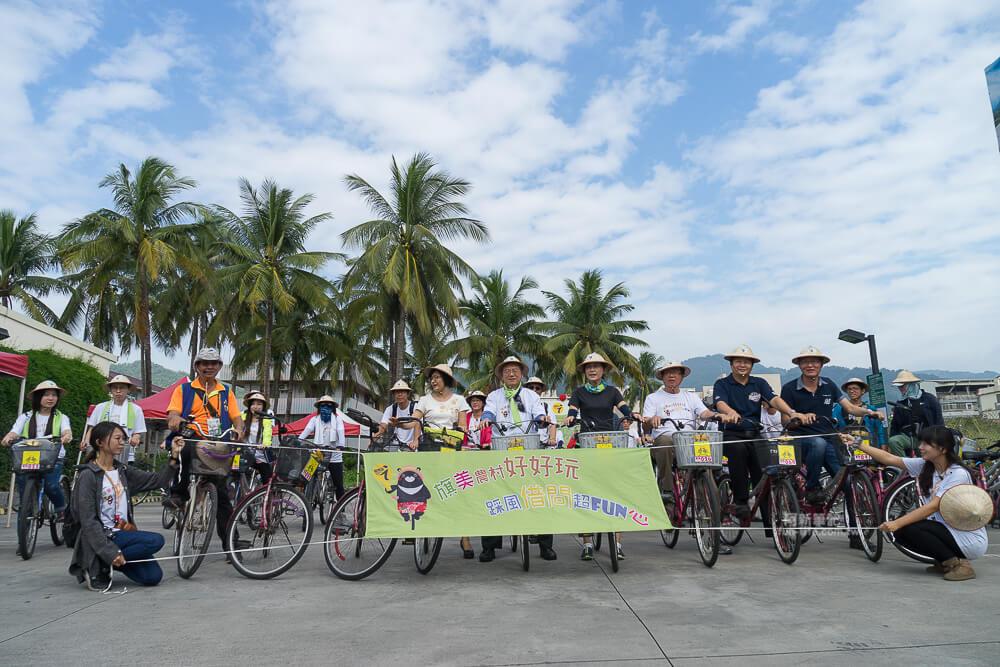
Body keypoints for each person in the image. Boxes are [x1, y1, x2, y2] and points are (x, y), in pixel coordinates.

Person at [854, 425, 986, 580]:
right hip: (945, 530)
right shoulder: (926, 466)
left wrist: (897, 523)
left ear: (942, 449)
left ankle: (959, 565)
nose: (920, 447)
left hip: (967, 538)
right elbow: (890, 459)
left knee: (906, 527)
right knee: (900, 533)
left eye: (926, 444)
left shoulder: (958, 474)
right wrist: (859, 445)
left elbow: (933, 506)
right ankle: (944, 561)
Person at [70, 421, 183, 590]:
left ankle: (108, 563)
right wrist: (109, 551)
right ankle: (100, 561)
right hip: (105, 536)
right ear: (99, 442)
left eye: (123, 438)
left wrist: (174, 456)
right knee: (155, 540)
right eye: (117, 438)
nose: (122, 442)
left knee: (153, 576)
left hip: (124, 533)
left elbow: (158, 480)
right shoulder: (88, 475)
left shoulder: (122, 470)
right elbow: (88, 521)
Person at [780, 347, 882, 512]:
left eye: (814, 362)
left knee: (847, 482)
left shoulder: (829, 385)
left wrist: (870, 412)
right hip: (800, 440)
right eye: (806, 362)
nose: (810, 365)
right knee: (818, 444)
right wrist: (798, 417)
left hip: (828, 438)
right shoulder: (789, 388)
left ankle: (855, 528)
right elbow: (784, 419)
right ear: (799, 365)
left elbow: (849, 407)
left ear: (821, 365)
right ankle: (812, 488)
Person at [163, 348, 243, 554]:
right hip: (193, 437)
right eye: (204, 363)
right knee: (184, 448)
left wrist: (240, 430)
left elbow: (236, 418)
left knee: (223, 497)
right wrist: (175, 421)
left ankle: (230, 546)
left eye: (214, 363)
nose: (209, 367)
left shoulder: (226, 392)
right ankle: (179, 494)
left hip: (217, 444)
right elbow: (172, 414)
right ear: (197, 366)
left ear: (219, 367)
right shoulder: (184, 390)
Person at [712, 345, 800, 527]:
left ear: (752, 365)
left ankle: (772, 524)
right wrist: (731, 413)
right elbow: (720, 403)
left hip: (755, 433)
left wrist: (791, 412)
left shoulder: (759, 383)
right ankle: (740, 501)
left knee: (766, 470)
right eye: (738, 361)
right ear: (731, 364)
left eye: (746, 362)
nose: (742, 365)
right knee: (738, 450)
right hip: (731, 433)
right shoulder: (722, 384)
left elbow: (774, 399)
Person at [480, 356, 556, 562]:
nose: (511, 373)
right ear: (501, 375)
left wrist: (543, 420)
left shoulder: (531, 395)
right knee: (493, 496)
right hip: (502, 450)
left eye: (515, 370)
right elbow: (488, 412)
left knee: (539, 495)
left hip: (529, 450)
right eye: (507, 370)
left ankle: (545, 544)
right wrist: (486, 419)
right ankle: (490, 547)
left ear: (521, 374)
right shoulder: (494, 396)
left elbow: (540, 415)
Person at [564, 352, 634, 561]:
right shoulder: (579, 392)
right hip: (587, 442)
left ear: (604, 370)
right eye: (588, 367)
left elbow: (623, 408)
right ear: (584, 371)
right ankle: (587, 543)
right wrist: (570, 417)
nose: (592, 370)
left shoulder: (613, 391)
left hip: (610, 442)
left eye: (597, 366)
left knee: (616, 492)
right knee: (585, 492)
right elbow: (573, 409)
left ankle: (618, 543)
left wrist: (631, 415)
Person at [641, 361, 731, 497]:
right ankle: (667, 490)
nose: (672, 376)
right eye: (668, 372)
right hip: (666, 439)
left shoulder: (691, 397)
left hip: (689, 439)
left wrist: (717, 415)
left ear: (682, 376)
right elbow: (645, 423)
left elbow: (704, 413)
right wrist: (651, 420)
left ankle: (705, 496)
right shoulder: (653, 398)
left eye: (676, 372)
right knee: (664, 442)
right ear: (663, 376)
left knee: (706, 445)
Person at [2, 380, 72, 518]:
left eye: (54, 395)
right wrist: (8, 437)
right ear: (38, 397)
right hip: (29, 457)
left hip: (53, 457)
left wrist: (66, 437)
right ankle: (26, 520)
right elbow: (14, 432)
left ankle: (61, 507)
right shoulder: (26, 416)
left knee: (51, 486)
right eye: (46, 395)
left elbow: (67, 432)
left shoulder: (61, 417)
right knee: (23, 487)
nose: (51, 398)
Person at [401, 364, 470, 449]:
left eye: (437, 377)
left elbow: (462, 426)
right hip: (429, 445)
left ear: (446, 379)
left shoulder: (460, 400)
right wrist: (399, 424)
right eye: (432, 378)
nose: (433, 381)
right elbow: (413, 422)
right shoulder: (424, 400)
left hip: (451, 445)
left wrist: (463, 429)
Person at [83, 375, 147, 464]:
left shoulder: (136, 409)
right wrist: (86, 442)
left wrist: (135, 438)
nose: (118, 391)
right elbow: (92, 429)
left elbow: (138, 432)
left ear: (128, 390)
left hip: (124, 453)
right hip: (100, 453)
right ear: (110, 390)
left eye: (122, 388)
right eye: (114, 388)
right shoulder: (100, 407)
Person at [301, 395, 346, 503]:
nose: (325, 408)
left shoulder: (337, 419)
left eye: (328, 406)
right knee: (306, 476)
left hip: (334, 453)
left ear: (333, 408)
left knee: (338, 483)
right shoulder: (314, 419)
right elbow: (307, 430)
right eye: (322, 406)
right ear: (319, 408)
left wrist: (340, 446)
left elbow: (340, 431)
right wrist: (298, 441)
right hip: (318, 452)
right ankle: (306, 502)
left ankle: (341, 510)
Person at [888, 370, 944, 457]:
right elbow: (894, 426)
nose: (900, 389)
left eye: (903, 386)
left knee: (925, 458)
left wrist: (938, 438)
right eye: (899, 386)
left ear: (911, 385)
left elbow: (939, 420)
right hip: (908, 437)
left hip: (927, 437)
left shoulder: (929, 399)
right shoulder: (900, 403)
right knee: (893, 441)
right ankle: (905, 466)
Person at [832, 378, 887, 447]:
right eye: (849, 389)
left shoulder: (871, 409)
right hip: (846, 445)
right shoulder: (838, 408)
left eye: (855, 388)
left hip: (869, 445)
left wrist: (883, 445)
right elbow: (833, 426)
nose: (852, 391)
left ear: (863, 391)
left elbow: (880, 429)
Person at [241, 391, 276, 482]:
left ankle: (266, 494)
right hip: (244, 453)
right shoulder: (242, 416)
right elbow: (235, 430)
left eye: (259, 404)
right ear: (249, 406)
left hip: (259, 454)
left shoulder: (266, 419)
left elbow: (268, 434)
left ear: (263, 406)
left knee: (267, 478)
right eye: (253, 404)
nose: (255, 406)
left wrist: (265, 444)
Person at [375, 380, 415, 449]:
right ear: (394, 395)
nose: (399, 394)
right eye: (397, 392)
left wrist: (416, 440)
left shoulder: (415, 407)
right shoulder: (391, 409)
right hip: (398, 444)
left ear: (408, 394)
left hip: (414, 444)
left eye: (402, 392)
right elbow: (383, 426)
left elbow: (417, 424)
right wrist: (374, 437)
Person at [524, 376, 559, 447]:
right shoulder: (519, 406)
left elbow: (552, 424)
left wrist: (552, 439)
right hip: (523, 443)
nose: (534, 390)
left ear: (541, 391)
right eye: (531, 388)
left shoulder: (546, 407)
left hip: (542, 444)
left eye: (537, 388)